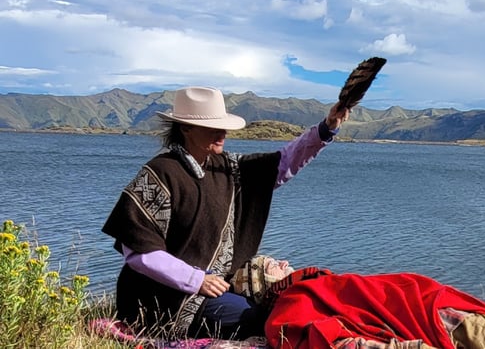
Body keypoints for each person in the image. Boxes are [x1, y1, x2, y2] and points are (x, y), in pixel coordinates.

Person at [102, 86, 349, 339]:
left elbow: (283, 163)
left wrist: (325, 129)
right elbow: (138, 253)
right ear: (186, 128)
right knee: (261, 322)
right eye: (213, 127)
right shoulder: (159, 174)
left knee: (288, 305)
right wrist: (196, 280)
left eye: (223, 126)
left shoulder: (227, 168)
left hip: (213, 287)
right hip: (164, 297)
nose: (223, 133)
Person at [233, 255, 485, 349]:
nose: (280, 262)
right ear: (265, 286)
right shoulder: (288, 308)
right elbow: (330, 341)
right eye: (268, 266)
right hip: (439, 323)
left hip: (435, 307)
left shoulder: (311, 283)